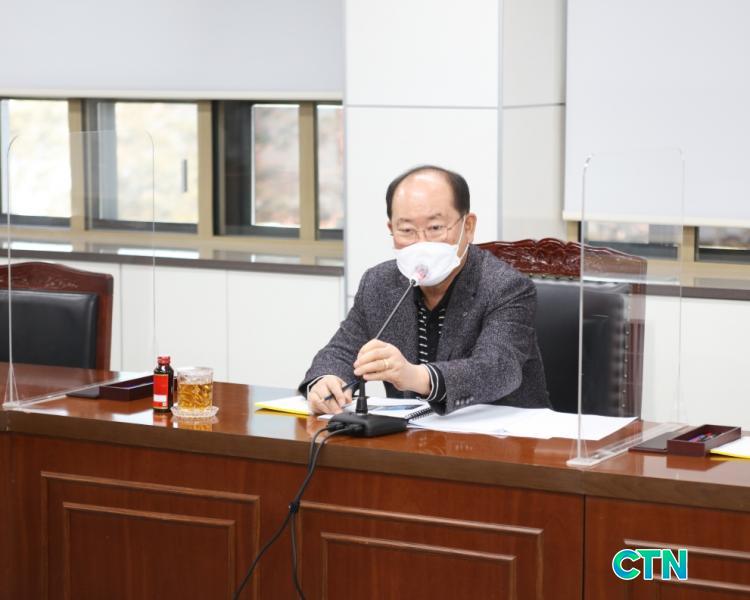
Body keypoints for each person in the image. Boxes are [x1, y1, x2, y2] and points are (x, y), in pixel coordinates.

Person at [300, 165, 549, 415]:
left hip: (501, 432)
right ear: (391, 229)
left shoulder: (506, 287)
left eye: (435, 228)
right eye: (406, 230)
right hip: (411, 434)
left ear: (468, 226)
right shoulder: (378, 283)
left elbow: (497, 369)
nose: (422, 243)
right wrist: (325, 380)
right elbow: (341, 351)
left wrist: (416, 377)